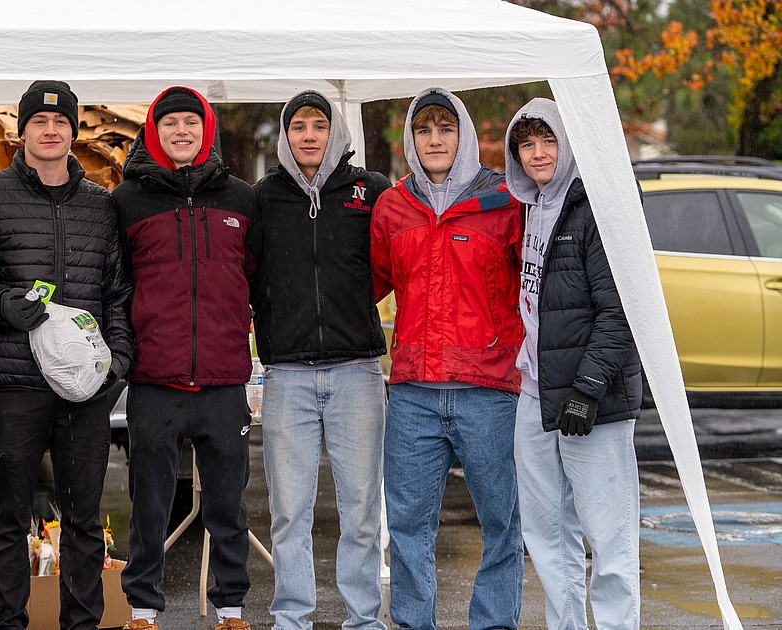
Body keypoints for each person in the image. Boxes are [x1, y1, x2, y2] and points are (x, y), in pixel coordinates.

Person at [0, 80, 134, 630]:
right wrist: (6, 304)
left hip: (85, 392)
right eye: (40, 122)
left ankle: (81, 624)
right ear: (23, 130)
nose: (51, 131)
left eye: (61, 123)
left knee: (83, 521)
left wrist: (119, 363)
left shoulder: (102, 207)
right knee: (9, 519)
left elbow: (118, 294)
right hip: (13, 385)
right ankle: (6, 623)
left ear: (73, 131)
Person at [369, 88, 525, 630]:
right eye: (423, 130)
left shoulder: (505, 200)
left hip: (490, 390)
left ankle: (494, 623)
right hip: (413, 394)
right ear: (411, 139)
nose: (434, 140)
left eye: (445, 129)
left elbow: (535, 287)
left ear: (464, 135)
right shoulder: (393, 205)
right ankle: (413, 624)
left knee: (503, 523)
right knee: (409, 527)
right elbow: (367, 284)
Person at [114, 86, 260, 630]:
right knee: (148, 502)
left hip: (223, 380)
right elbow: (118, 284)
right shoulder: (127, 200)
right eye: (171, 122)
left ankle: (230, 608)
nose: (182, 131)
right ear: (155, 130)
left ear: (206, 130)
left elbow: (256, 280)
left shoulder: (241, 199)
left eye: (191, 123)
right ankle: (143, 608)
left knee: (228, 505)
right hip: (155, 378)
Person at [251, 90, 391, 630]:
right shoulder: (262, 199)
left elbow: (391, 261)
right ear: (286, 134)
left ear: (336, 132)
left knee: (360, 512)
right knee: (289, 512)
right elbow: (245, 276)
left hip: (357, 371)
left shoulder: (370, 191)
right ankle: (293, 617)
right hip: (286, 373)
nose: (309, 134)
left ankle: (363, 619)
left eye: (319, 124)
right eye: (299, 125)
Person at [505, 98, 643, 630]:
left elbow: (620, 308)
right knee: (545, 533)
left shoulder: (595, 208)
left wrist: (587, 389)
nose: (538, 153)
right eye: (527, 143)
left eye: (548, 141)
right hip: (536, 393)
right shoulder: (531, 206)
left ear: (567, 144)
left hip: (594, 401)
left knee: (608, 536)